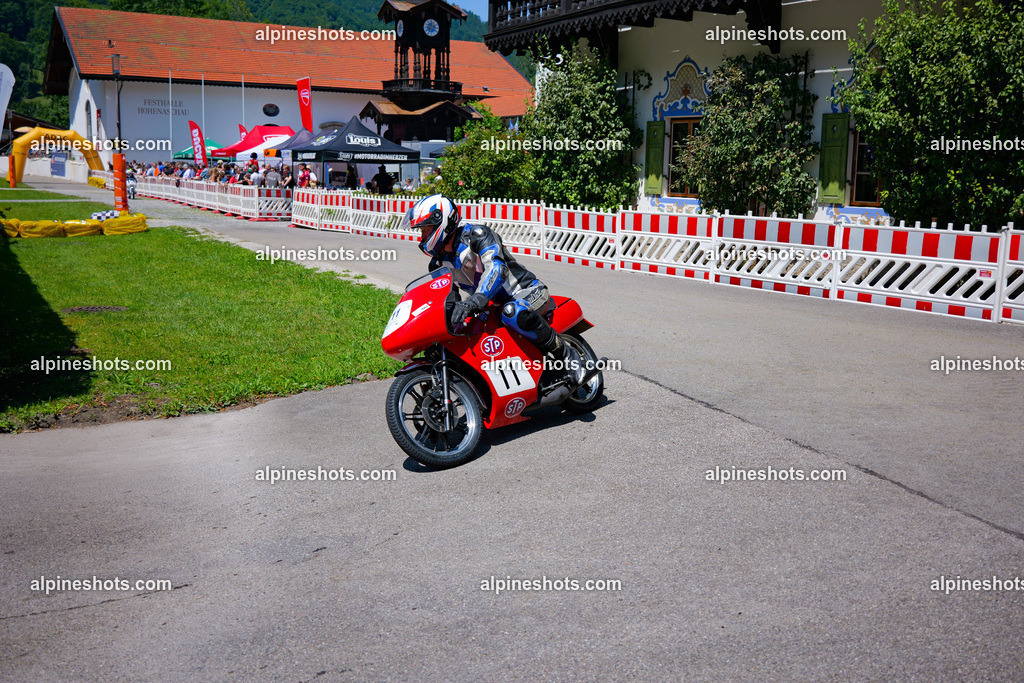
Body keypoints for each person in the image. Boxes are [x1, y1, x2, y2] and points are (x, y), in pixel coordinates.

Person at [402, 194, 585, 387]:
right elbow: (449, 300)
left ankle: (567, 354)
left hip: (527, 291)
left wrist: (474, 301)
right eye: (421, 231)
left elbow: (497, 269)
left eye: (426, 229)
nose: (422, 236)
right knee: (464, 329)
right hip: (493, 305)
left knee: (512, 311)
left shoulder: (477, 235)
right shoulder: (438, 263)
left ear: (443, 223)